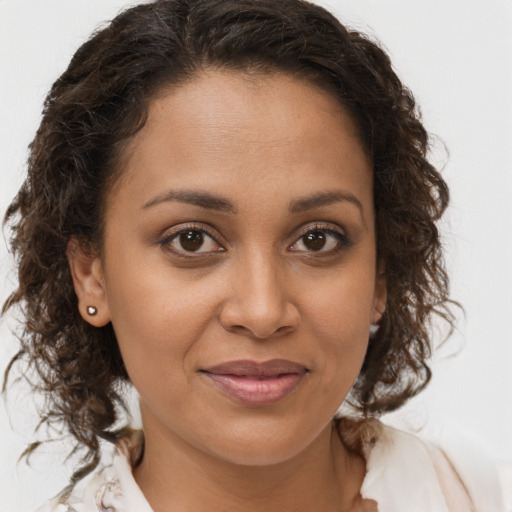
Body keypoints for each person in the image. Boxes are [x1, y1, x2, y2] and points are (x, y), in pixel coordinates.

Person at [1, 0, 507, 510]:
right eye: (191, 239)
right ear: (91, 275)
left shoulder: (479, 494)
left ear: (380, 271)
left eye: (317, 238)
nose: (263, 312)